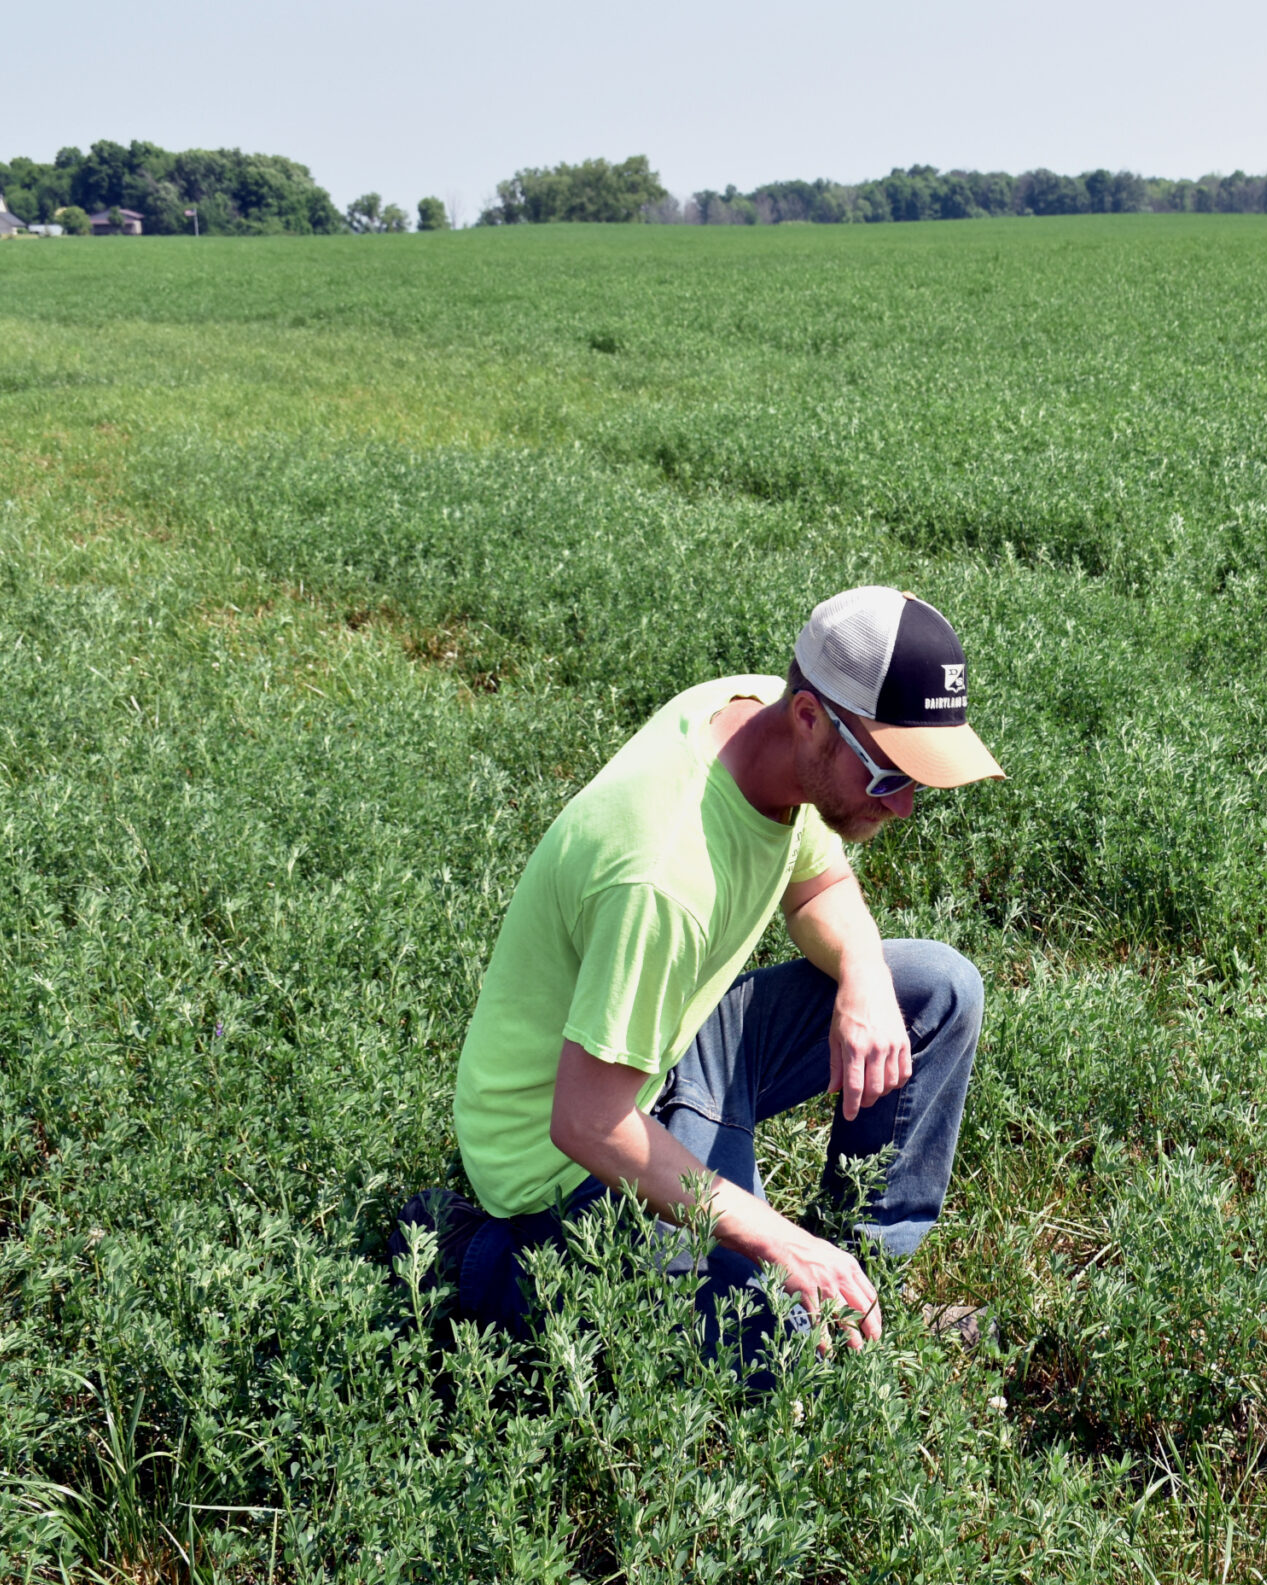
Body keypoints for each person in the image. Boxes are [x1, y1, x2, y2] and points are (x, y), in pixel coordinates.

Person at [400, 586, 1003, 1373]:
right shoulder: (663, 875)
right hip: (562, 1157)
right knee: (772, 1344)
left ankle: (862, 1277)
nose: (907, 806)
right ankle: (473, 1254)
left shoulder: (755, 714)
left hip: (664, 1048)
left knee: (937, 989)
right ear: (812, 719)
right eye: (890, 777)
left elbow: (819, 886)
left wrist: (862, 972)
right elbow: (585, 1120)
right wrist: (776, 1235)